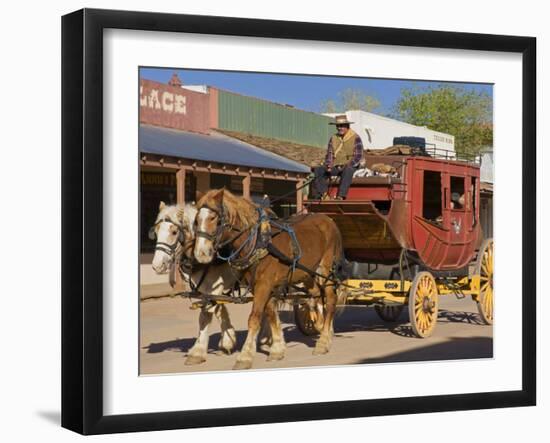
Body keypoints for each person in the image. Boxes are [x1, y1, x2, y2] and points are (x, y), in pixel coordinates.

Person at [311, 114, 364, 200]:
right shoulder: (333, 138)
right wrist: (328, 164)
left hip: (351, 166)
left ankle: (340, 196)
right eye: (338, 126)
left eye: (342, 126)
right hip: (336, 166)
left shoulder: (355, 137)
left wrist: (348, 164)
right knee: (318, 170)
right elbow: (330, 154)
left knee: (348, 170)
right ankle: (324, 195)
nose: (339, 128)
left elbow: (358, 156)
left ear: (347, 126)